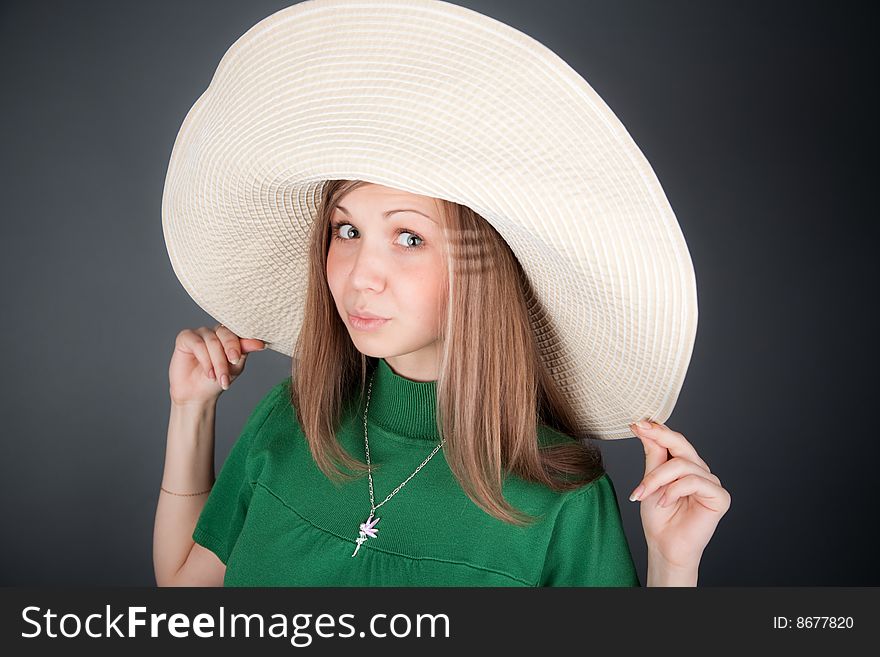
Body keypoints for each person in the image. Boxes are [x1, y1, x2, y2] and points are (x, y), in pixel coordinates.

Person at [153, 180, 730, 587]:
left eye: (409, 238)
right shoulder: (294, 417)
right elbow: (186, 592)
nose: (359, 276)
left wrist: (672, 568)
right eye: (347, 229)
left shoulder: (560, 498)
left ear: (483, 270)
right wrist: (191, 410)